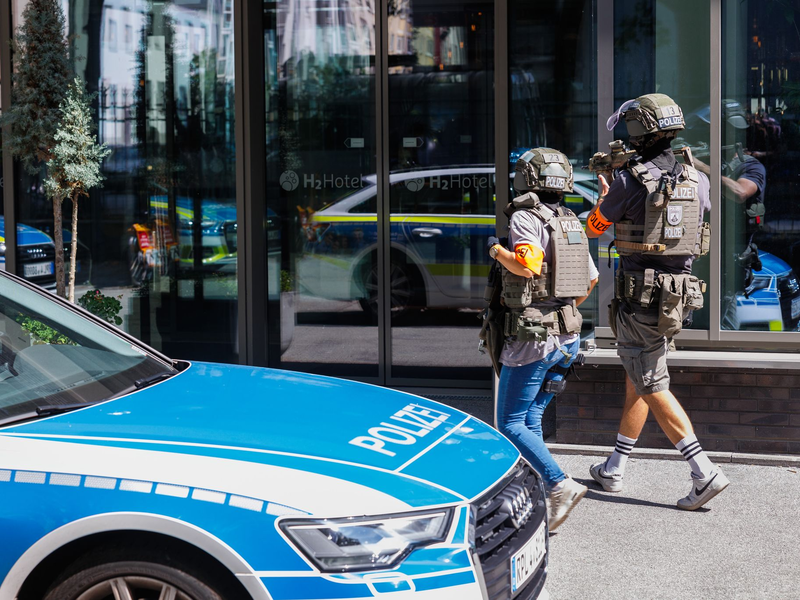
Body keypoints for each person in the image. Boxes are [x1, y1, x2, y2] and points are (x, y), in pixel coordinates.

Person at [585, 93, 730, 510]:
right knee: (639, 377)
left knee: (650, 382)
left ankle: (704, 471)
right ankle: (614, 466)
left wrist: (605, 198)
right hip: (678, 297)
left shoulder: (629, 181)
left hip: (642, 298)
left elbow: (595, 228)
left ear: (636, 130)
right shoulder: (697, 177)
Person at [487, 147, 598, 530]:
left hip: (534, 339)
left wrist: (496, 250)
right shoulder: (570, 220)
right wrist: (562, 310)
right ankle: (540, 492)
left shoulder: (525, 217)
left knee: (509, 422)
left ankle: (558, 484)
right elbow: (592, 279)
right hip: (568, 337)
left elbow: (528, 265)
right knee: (532, 416)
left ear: (526, 179)